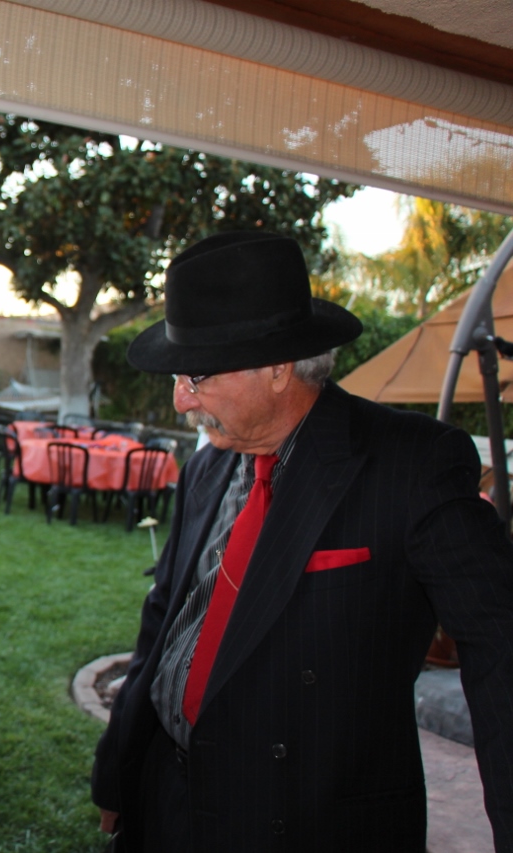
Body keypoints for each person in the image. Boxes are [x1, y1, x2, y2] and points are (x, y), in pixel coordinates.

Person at [90, 230, 513, 852]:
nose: (181, 399)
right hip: (170, 801)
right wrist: (119, 773)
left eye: (195, 375)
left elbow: (499, 648)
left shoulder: (410, 464)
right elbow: (162, 626)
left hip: (305, 821)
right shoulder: (209, 467)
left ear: (279, 367)